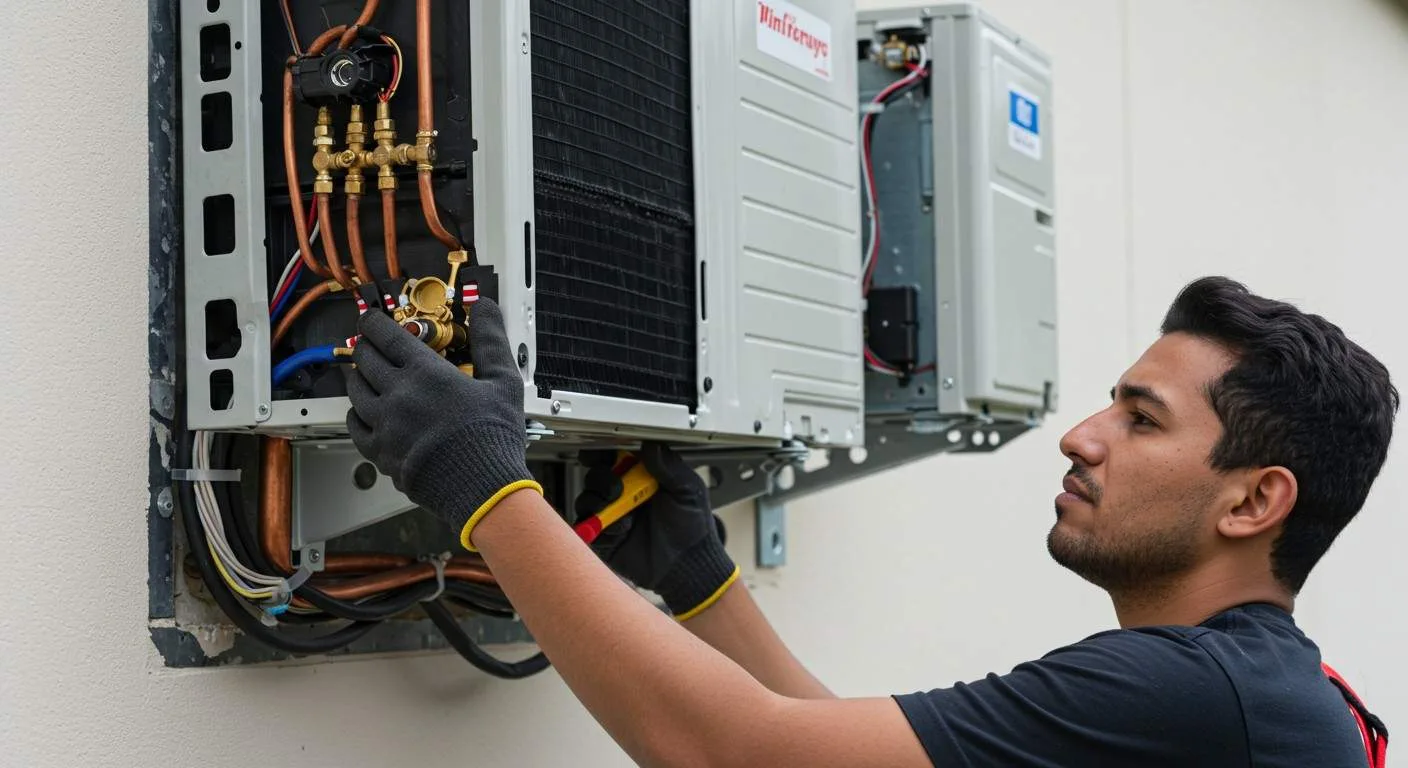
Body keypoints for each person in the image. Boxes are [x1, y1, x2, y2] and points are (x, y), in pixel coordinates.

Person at [342, 276, 1395, 767]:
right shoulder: (1253, 688)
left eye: (1139, 419)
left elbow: (734, 755)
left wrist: (482, 485)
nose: (1081, 436)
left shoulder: (1194, 695)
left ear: (1254, 501)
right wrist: (704, 587)